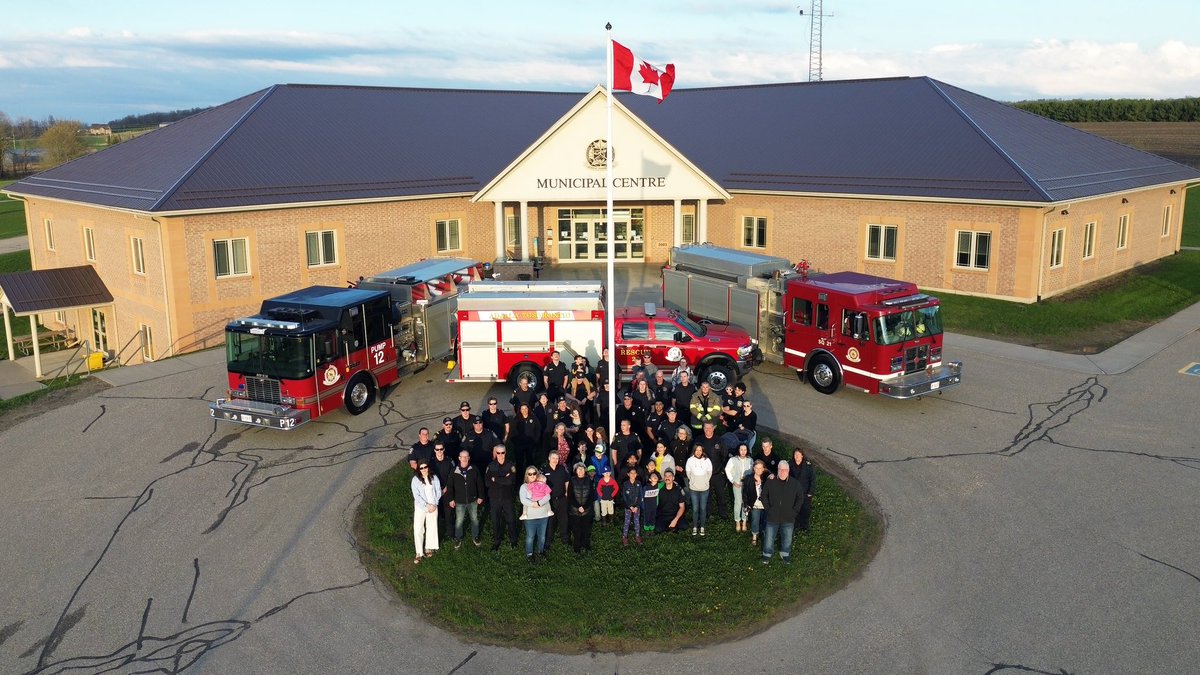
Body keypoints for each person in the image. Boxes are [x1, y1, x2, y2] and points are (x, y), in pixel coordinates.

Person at [761, 460, 803, 565]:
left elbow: (800, 498)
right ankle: (767, 554)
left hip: (788, 517)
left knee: (787, 538)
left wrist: (794, 511)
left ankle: (785, 554)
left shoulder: (795, 483)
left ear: (788, 471)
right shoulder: (771, 481)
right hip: (772, 516)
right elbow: (764, 495)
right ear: (777, 470)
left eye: (784, 470)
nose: (782, 472)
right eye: (780, 469)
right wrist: (768, 509)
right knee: (769, 537)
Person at [485, 444, 518, 551]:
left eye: (502, 452)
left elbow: (511, 481)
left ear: (505, 452)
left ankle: (513, 540)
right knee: (495, 521)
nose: (500, 455)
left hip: (507, 498)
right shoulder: (490, 466)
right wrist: (504, 479)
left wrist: (496, 479)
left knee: (511, 520)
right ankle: (496, 541)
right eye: (498, 453)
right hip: (494, 498)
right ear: (495, 453)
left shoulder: (511, 465)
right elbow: (487, 482)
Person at [449, 449, 485, 547]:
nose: (464, 459)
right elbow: (450, 486)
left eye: (466, 457)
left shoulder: (474, 469)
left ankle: (475, 536)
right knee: (459, 520)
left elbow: (480, 483)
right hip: (459, 501)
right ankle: (458, 538)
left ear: (469, 458)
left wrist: (481, 496)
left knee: (474, 519)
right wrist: (451, 499)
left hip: (473, 500)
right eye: (462, 457)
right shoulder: (454, 471)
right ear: (459, 458)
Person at [518, 467, 553, 562]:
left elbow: (547, 496)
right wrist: (533, 504)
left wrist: (539, 503)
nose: (532, 475)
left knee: (542, 536)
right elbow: (523, 500)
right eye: (530, 474)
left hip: (543, 515)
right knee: (530, 536)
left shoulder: (542, 484)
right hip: (530, 517)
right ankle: (529, 554)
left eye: (534, 473)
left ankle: (540, 552)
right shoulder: (524, 487)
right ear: (526, 475)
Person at [695, 420, 728, 520]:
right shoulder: (699, 440)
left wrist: (723, 471)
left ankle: (723, 515)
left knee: (721, 496)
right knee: (707, 496)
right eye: (706, 428)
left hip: (718, 474)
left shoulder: (719, 440)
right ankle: (708, 514)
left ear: (713, 428)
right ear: (703, 428)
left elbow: (725, 456)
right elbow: (695, 455)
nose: (708, 430)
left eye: (710, 428)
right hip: (704, 475)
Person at [411, 461, 441, 564]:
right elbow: (416, 496)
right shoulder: (415, 480)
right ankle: (419, 552)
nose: (423, 469)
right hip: (421, 507)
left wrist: (434, 504)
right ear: (418, 469)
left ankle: (429, 547)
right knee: (418, 528)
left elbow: (438, 491)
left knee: (431, 526)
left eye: (425, 467)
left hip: (433, 506)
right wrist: (426, 506)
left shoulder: (434, 478)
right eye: (421, 468)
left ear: (428, 467)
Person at [543, 451, 571, 548]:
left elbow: (567, 480)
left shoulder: (562, 469)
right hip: (550, 500)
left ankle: (565, 540)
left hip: (562, 498)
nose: (555, 460)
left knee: (564, 520)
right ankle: (548, 541)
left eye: (557, 458)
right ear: (549, 458)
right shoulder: (544, 470)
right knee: (550, 520)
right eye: (553, 458)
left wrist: (567, 492)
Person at [684, 444, 713, 536]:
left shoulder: (707, 460)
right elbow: (688, 473)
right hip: (693, 489)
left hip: (704, 489)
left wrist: (704, 481)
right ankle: (695, 526)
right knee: (695, 509)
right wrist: (694, 481)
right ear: (694, 451)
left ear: (703, 451)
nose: (698, 452)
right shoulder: (690, 460)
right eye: (696, 450)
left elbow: (709, 473)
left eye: (700, 450)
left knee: (703, 508)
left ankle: (702, 526)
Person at [567, 462, 595, 553]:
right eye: (578, 469)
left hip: (587, 510)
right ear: (575, 471)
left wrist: (585, 506)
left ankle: (586, 545)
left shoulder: (589, 480)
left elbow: (591, 496)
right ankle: (577, 547)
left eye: (582, 469)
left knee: (586, 529)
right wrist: (578, 506)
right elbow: (570, 496)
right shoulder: (572, 480)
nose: (580, 471)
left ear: (585, 470)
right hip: (575, 511)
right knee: (576, 530)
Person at [725, 442, 754, 532]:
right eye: (741, 449)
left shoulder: (750, 460)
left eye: (745, 450)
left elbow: (753, 471)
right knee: (738, 503)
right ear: (738, 450)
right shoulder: (733, 460)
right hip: (737, 484)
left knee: (745, 503)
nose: (743, 452)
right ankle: (737, 521)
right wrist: (733, 481)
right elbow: (727, 469)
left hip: (747, 486)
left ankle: (744, 520)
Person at [429, 443, 455, 539]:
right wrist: (438, 489)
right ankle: (436, 537)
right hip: (435, 492)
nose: (439, 451)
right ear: (435, 450)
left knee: (449, 515)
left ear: (444, 449)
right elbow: (429, 477)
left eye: (441, 449)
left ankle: (451, 535)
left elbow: (452, 476)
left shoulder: (450, 461)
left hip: (447, 491)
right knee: (436, 515)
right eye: (437, 449)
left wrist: (446, 488)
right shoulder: (431, 463)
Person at [509, 402, 542, 471]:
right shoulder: (516, 419)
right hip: (519, 445)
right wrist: (515, 442)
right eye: (522, 409)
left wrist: (536, 440)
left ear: (528, 409)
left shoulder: (533, 418)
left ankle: (530, 476)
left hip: (530, 444)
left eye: (526, 408)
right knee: (519, 463)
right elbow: (512, 432)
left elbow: (538, 429)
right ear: (520, 410)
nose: (524, 410)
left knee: (530, 462)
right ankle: (519, 477)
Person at [743, 459, 768, 546]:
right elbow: (745, 492)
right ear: (753, 468)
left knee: (766, 520)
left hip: (766, 505)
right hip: (755, 504)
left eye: (760, 468)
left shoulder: (767, 478)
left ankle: (765, 534)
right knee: (755, 520)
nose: (758, 470)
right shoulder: (749, 479)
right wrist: (746, 504)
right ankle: (754, 535)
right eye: (756, 468)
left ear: (763, 469)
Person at [791, 448, 817, 532]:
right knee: (795, 510)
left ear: (802, 455)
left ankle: (805, 526)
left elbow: (812, 480)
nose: (797, 456)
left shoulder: (808, 466)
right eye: (795, 454)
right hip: (793, 493)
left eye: (798, 454)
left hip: (805, 493)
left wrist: (810, 492)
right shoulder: (789, 464)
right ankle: (796, 525)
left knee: (806, 511)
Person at [619, 466, 645, 546]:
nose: (633, 475)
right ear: (628, 474)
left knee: (637, 521)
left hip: (637, 507)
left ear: (636, 474)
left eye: (634, 473)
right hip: (628, 507)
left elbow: (641, 495)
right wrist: (630, 506)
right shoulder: (625, 484)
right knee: (627, 522)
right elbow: (624, 496)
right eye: (631, 473)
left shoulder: (638, 483)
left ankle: (637, 536)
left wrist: (637, 506)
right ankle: (625, 537)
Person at [655, 469, 687, 533]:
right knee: (658, 529)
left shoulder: (678, 490)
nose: (667, 477)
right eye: (666, 476)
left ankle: (671, 526)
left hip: (675, 514)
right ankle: (671, 527)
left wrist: (675, 520)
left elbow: (682, 507)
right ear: (664, 478)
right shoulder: (659, 489)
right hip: (663, 515)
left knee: (684, 526)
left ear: (673, 478)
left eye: (669, 476)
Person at [641, 470, 660, 537]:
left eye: (656, 476)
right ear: (649, 479)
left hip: (654, 506)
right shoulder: (646, 487)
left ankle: (651, 529)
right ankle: (646, 529)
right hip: (647, 506)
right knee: (647, 518)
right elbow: (642, 497)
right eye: (653, 476)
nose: (655, 477)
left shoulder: (659, 486)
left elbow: (666, 483)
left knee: (653, 517)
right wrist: (643, 506)